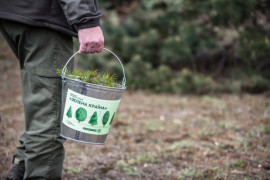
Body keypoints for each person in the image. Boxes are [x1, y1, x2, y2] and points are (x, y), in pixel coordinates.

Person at [0, 0, 104, 179]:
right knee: (51, 117)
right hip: (42, 16)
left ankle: (21, 169)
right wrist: (86, 19)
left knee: (44, 107)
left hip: (13, 12)